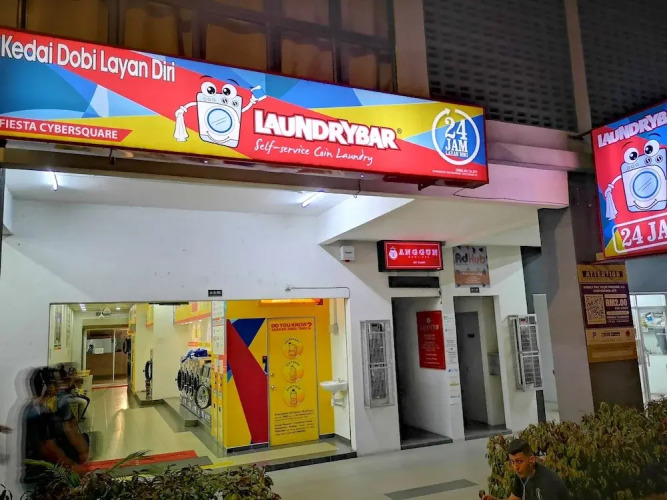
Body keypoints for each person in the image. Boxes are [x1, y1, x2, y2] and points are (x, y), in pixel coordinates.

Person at [483, 439, 569, 500]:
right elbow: (514, 498)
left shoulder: (548, 483)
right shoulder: (522, 474)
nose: (516, 467)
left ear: (532, 459)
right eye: (512, 462)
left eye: (519, 461)